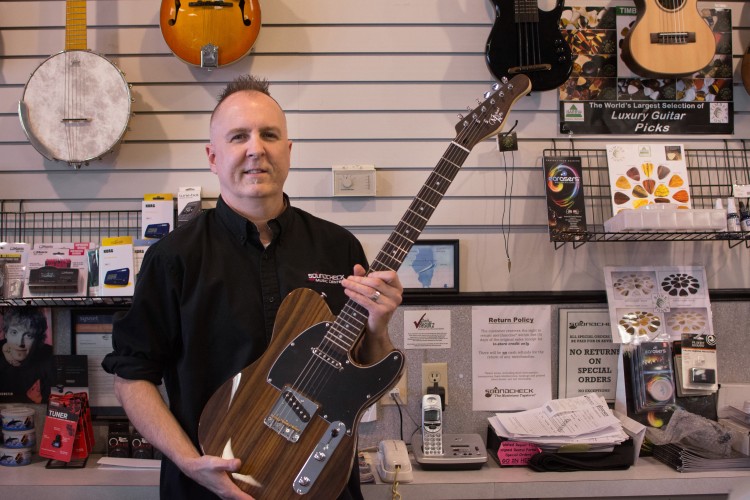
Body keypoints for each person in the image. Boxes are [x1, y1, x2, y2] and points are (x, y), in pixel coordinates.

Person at [102, 75, 403, 500]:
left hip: (320, 480)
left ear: (289, 151)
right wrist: (190, 463)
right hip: (206, 485)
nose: (255, 148)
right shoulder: (173, 258)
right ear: (212, 156)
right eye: (238, 136)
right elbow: (132, 378)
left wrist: (379, 325)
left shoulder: (340, 247)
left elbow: (360, 368)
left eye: (269, 134)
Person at [0, 307, 53, 404]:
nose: (20, 343)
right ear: (6, 334)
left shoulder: (49, 358)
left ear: (38, 339)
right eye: (14, 332)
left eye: (28, 335)